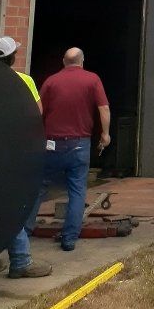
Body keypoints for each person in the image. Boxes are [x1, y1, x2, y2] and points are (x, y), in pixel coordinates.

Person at [0, 36, 52, 279]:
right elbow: (37, 114)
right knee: (14, 207)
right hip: (12, 154)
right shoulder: (23, 80)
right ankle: (21, 261)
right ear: (13, 58)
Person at [35, 47, 110, 252]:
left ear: (63, 61)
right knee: (77, 191)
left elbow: (39, 110)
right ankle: (68, 239)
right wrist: (105, 134)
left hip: (51, 143)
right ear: (82, 61)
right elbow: (103, 108)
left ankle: (22, 231)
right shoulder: (92, 80)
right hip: (79, 144)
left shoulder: (51, 81)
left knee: (39, 187)